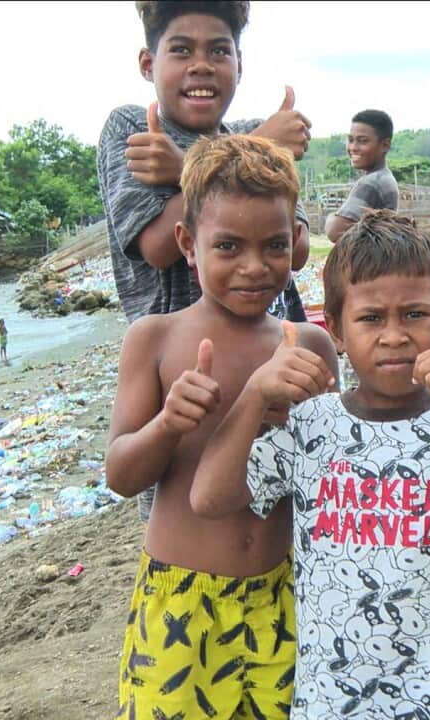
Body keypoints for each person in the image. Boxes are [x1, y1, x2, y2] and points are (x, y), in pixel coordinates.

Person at [191, 210, 430, 718]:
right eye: (371, 318)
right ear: (337, 331)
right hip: (330, 702)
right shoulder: (310, 425)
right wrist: (256, 392)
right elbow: (209, 499)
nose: (394, 335)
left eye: (414, 314)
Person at [105, 134, 339, 720]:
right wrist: (166, 425)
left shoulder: (309, 346)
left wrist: (305, 434)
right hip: (181, 599)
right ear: (188, 243)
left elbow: (333, 482)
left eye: (275, 246)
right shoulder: (154, 341)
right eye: (229, 246)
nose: (255, 267)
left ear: (295, 242)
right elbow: (121, 476)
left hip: (282, 594)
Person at [99, 0, 315, 521]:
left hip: (270, 352)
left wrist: (192, 168)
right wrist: (254, 146)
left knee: (277, 505)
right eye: (181, 50)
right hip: (181, 372)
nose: (201, 64)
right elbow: (156, 245)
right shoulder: (131, 126)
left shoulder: (242, 135)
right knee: (185, 506)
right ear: (149, 64)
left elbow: (301, 248)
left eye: (219, 50)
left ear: (240, 63)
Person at [325, 110, 399, 243]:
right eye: (350, 140)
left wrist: (331, 217)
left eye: (363, 141)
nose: (353, 147)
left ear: (385, 145)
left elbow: (335, 231)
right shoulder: (386, 178)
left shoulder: (372, 182)